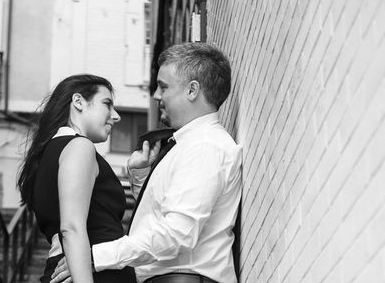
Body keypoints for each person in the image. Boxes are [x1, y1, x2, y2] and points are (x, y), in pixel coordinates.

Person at [52, 43, 242, 283]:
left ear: (192, 90)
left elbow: (176, 234)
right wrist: (142, 176)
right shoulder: (190, 145)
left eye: (163, 86)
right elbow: (164, 218)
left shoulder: (205, 146)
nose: (156, 96)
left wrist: (93, 256)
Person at [17, 74, 137, 283]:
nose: (115, 116)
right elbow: (71, 227)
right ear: (78, 102)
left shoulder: (45, 156)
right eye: (107, 104)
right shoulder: (80, 146)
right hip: (93, 274)